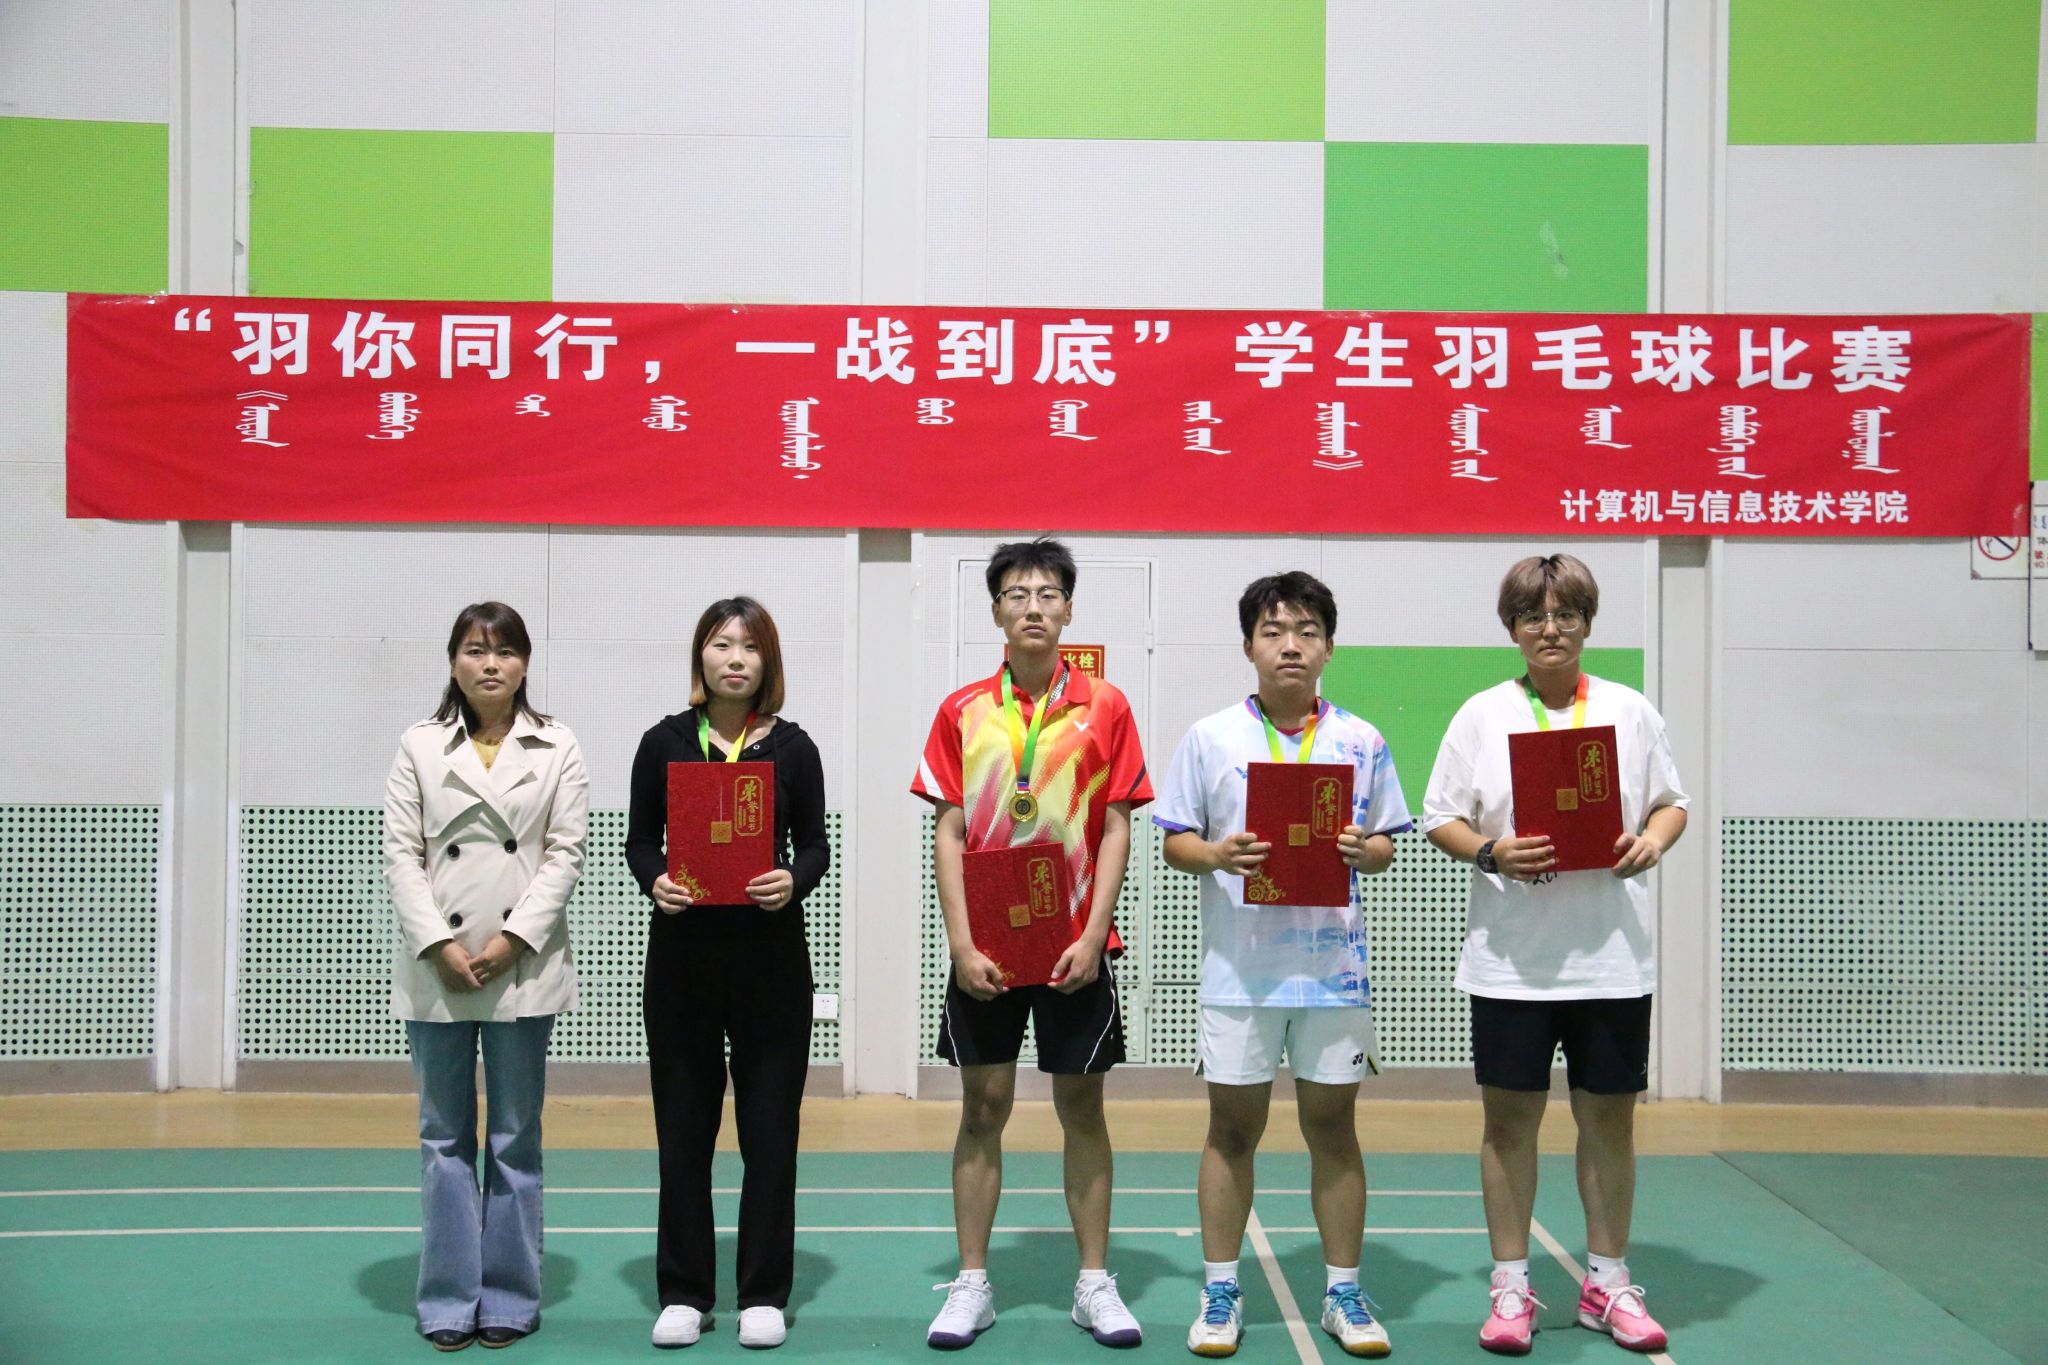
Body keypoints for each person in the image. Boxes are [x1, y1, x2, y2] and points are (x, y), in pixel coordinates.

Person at [1420, 554, 1688, 1356]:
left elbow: (1672, 803)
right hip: (1512, 963)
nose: (1550, 629)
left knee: (1608, 1123)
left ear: (1587, 623)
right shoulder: (1482, 714)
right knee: (1509, 1125)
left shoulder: (1630, 710)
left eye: (1566, 614)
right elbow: (1440, 817)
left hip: (1612, 958)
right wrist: (1492, 851)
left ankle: (1608, 1281)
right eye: (1533, 616)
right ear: (1512, 627)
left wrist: (1652, 841)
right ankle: (1510, 1285)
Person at [1154, 572, 1411, 1359]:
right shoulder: (1210, 737)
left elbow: (1388, 845)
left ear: (1329, 646)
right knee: (1232, 1129)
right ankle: (1220, 1288)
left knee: (1333, 1128)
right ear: (1248, 646)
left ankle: (1343, 1291)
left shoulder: (1362, 740)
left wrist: (1365, 849)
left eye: (1306, 631)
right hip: (1240, 973)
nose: (1289, 645)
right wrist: (1217, 853)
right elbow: (1175, 842)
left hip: (1334, 973)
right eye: (1273, 631)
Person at [910, 537, 1153, 1351]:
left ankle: (1094, 1282)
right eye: (1017, 594)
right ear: (996, 612)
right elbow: (948, 830)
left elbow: (1116, 825)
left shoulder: (1106, 705)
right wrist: (960, 943)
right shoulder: (961, 709)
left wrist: (1093, 933)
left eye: (1048, 593)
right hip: (987, 947)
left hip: (1074, 945)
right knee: (983, 1108)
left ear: (1069, 608)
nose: (1034, 607)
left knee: (1082, 1107)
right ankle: (972, 1282)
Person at [625, 597, 830, 1351]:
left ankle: (762, 1294)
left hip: (771, 963)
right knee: (683, 1133)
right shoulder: (664, 742)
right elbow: (640, 839)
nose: (734, 658)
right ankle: (685, 1292)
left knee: (770, 1135)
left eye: (749, 646)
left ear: (767, 661)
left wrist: (792, 879)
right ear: (700, 656)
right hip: (682, 962)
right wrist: (655, 880)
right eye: (720, 644)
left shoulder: (795, 748)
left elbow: (815, 844)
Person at [384, 601, 589, 1352]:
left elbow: (566, 851)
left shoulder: (558, 744)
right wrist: (438, 942)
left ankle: (508, 1292)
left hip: (522, 966)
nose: (490, 664)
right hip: (438, 968)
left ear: (525, 663)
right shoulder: (419, 743)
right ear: (454, 662)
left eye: (504, 651)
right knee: (443, 1136)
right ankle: (446, 1295)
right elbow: (400, 853)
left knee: (513, 1136)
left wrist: (513, 938)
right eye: (475, 650)